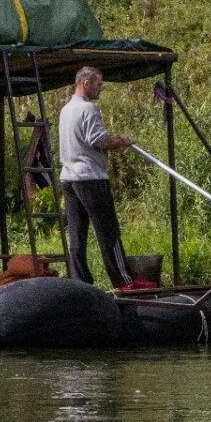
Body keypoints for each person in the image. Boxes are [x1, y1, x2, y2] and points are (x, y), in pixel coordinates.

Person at [58, 66, 153, 291]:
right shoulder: (88, 109)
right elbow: (99, 140)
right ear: (85, 83)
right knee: (108, 231)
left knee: (77, 234)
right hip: (90, 177)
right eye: (98, 84)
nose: (100, 89)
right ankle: (125, 281)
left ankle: (79, 282)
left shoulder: (66, 110)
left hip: (69, 178)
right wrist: (122, 141)